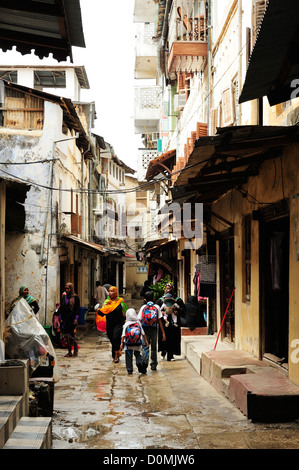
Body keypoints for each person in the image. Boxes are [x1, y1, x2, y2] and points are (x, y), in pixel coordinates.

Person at [96, 286, 128, 363]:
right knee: (111, 338)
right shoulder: (107, 302)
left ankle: (115, 355)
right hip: (110, 323)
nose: (110, 293)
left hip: (119, 323)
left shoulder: (121, 301)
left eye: (112, 291)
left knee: (115, 337)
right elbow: (103, 312)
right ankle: (118, 350)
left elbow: (125, 312)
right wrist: (98, 311)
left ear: (116, 292)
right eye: (109, 291)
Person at [138, 291, 166, 372]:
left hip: (144, 329)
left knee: (145, 346)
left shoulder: (143, 307)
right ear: (154, 298)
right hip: (154, 328)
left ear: (145, 299)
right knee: (153, 347)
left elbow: (139, 319)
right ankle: (153, 365)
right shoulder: (157, 307)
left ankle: (145, 364)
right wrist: (163, 333)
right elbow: (159, 320)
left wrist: (139, 331)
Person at [157, 283, 185, 361]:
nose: (167, 290)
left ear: (172, 290)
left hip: (173, 324)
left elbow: (183, 310)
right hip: (164, 323)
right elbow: (156, 310)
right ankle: (163, 351)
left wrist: (177, 311)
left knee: (173, 339)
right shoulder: (160, 300)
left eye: (169, 288)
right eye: (166, 288)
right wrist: (161, 313)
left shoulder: (177, 300)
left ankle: (171, 355)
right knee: (164, 338)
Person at [120, 308, 148, 375]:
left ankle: (129, 370)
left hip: (128, 344)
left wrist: (121, 343)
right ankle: (139, 363)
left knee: (128, 357)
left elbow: (123, 335)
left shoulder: (126, 324)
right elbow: (143, 333)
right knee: (138, 355)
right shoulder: (138, 323)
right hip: (137, 343)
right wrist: (146, 340)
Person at [57, 283, 80, 357]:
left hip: (72, 319)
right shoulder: (64, 297)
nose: (67, 290)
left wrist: (76, 319)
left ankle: (75, 349)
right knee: (65, 337)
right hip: (64, 320)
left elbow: (77, 309)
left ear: (71, 289)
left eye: (68, 289)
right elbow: (61, 308)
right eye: (66, 288)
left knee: (71, 336)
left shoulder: (76, 298)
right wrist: (60, 318)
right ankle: (69, 351)